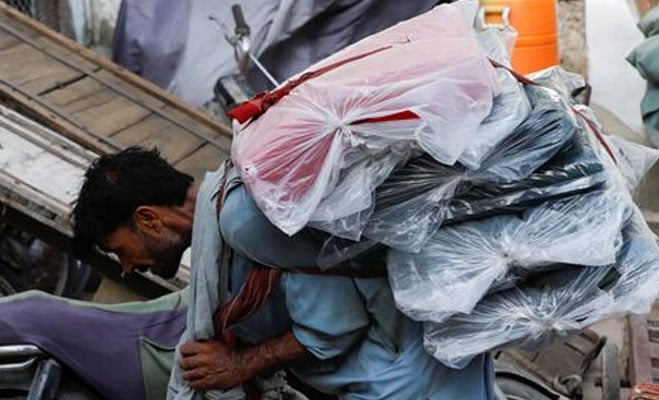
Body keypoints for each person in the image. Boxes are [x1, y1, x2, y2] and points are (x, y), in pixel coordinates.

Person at [72, 146, 495, 399]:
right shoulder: (228, 211)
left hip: (408, 383)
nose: (126, 269)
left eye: (118, 252)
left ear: (148, 220)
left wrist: (239, 365)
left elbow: (333, 326)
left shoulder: (240, 218)